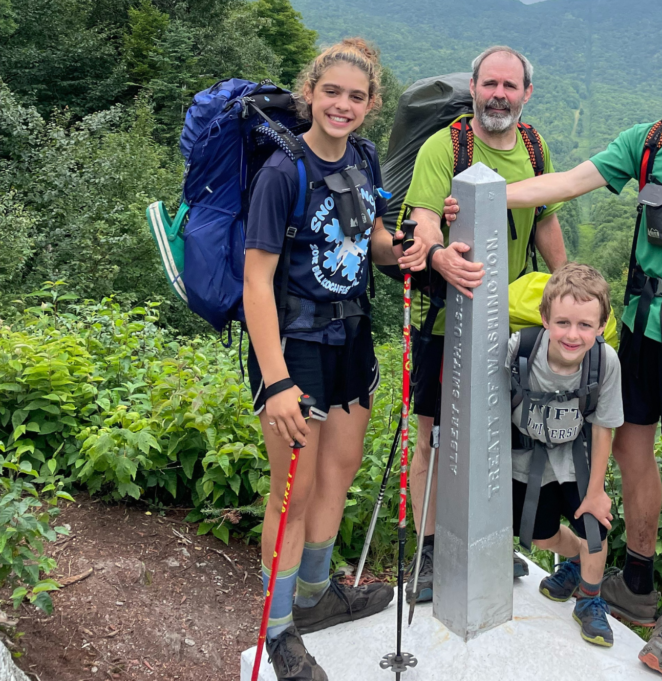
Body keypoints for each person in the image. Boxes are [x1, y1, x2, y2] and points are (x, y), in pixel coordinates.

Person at [444, 19, 662, 681]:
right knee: (634, 459)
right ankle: (635, 579)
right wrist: (480, 195)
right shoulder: (648, 142)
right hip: (639, 325)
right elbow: (568, 183)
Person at [243, 39, 405, 681]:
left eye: (356, 96)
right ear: (310, 93)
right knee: (294, 493)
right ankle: (278, 629)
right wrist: (278, 381)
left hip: (352, 339)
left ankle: (314, 595)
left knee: (339, 470)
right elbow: (256, 282)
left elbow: (376, 239)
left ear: (371, 106)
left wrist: (410, 248)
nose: (342, 104)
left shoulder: (365, 158)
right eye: (331, 92)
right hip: (292, 349)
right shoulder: (283, 171)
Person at [395, 45, 568, 603]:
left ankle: (488, 543)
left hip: (513, 320)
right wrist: (438, 253)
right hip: (448, 318)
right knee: (434, 438)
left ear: (526, 94)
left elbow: (545, 221)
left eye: (509, 86)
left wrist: (569, 284)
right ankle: (428, 555)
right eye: (490, 84)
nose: (499, 95)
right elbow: (423, 217)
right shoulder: (444, 146)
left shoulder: (535, 146)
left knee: (503, 437)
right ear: (473, 88)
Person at [508, 263, 622, 647]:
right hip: (526, 459)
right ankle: (574, 562)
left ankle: (590, 599)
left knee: (595, 525)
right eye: (563, 323)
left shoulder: (605, 362)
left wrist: (596, 490)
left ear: (601, 326)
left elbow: (605, 426)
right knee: (540, 538)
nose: (573, 335)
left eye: (585, 326)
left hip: (577, 456)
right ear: (545, 319)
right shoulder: (520, 350)